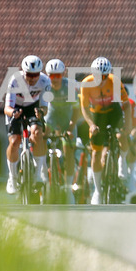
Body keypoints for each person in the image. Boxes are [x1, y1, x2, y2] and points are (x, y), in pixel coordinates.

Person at [79, 56, 130, 205]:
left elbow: (126, 105)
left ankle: (123, 161)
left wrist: (127, 127)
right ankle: (98, 191)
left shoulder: (114, 81)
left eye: (103, 76)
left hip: (113, 112)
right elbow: (84, 107)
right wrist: (91, 125)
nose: (100, 79)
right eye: (97, 76)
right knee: (96, 153)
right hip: (97, 116)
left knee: (121, 136)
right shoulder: (86, 84)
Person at [4, 55, 52, 195]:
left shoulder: (45, 81)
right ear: (23, 72)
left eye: (35, 75)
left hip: (33, 107)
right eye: (29, 75)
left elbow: (45, 107)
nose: (32, 78)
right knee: (14, 141)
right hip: (15, 108)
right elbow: (7, 108)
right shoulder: (14, 80)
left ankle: (38, 174)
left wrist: (40, 112)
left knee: (37, 133)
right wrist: (14, 113)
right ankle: (12, 178)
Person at [43, 58, 79, 204]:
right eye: (52, 75)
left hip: (67, 119)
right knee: (42, 135)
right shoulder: (45, 86)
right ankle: (43, 173)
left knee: (69, 148)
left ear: (63, 75)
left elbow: (76, 110)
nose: (55, 79)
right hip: (51, 116)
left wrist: (70, 128)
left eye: (58, 75)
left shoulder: (69, 86)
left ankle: (68, 189)